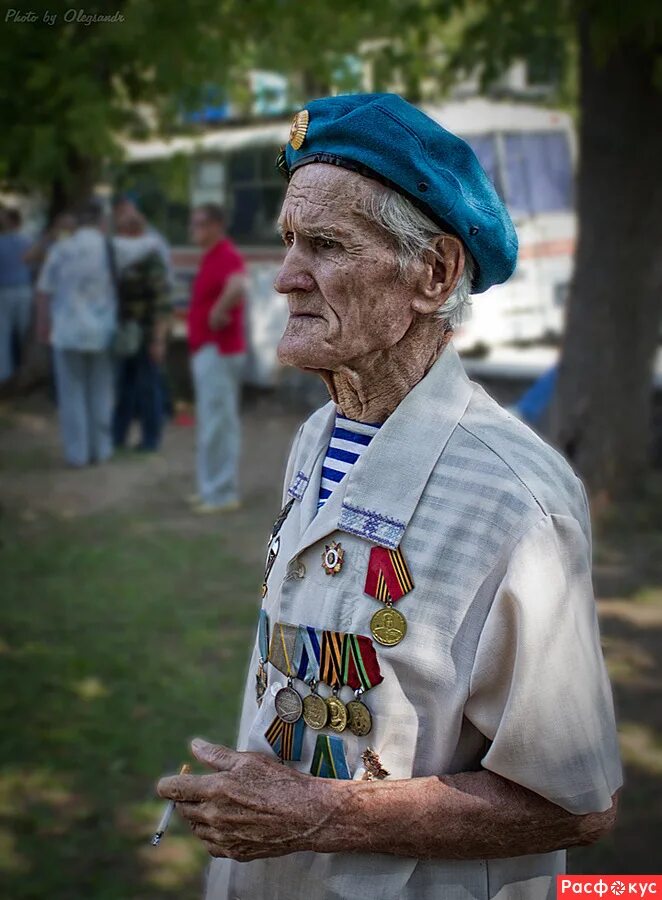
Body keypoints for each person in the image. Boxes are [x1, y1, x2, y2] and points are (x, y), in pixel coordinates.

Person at [158, 94, 622, 900]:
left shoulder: (516, 501)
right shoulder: (319, 435)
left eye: (326, 245)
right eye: (291, 240)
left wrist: (323, 812)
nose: (286, 278)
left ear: (433, 273)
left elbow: (575, 805)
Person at [36, 200, 116, 467]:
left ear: (76, 223)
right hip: (102, 332)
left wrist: (43, 325)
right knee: (100, 392)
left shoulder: (61, 249)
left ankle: (77, 454)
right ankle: (101, 450)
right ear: (101, 222)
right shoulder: (110, 249)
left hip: (67, 330)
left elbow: (44, 290)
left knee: (71, 394)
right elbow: (152, 246)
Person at [187, 203, 247, 513]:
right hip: (208, 350)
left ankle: (221, 493)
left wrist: (218, 311)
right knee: (211, 421)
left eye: (199, 224)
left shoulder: (226, 254)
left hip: (219, 350)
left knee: (218, 423)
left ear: (215, 226)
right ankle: (210, 486)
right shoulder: (212, 256)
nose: (194, 230)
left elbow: (238, 284)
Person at [111, 207, 171, 453]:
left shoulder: (150, 256)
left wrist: (157, 340)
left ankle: (150, 440)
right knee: (125, 386)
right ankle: (118, 436)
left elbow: (160, 303)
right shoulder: (124, 256)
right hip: (128, 334)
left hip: (145, 335)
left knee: (147, 388)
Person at [0, 207, 33, 381]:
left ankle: (4, 373)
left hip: (4, 290)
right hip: (24, 289)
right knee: (25, 332)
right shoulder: (29, 241)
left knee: (3, 333)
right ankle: (25, 370)